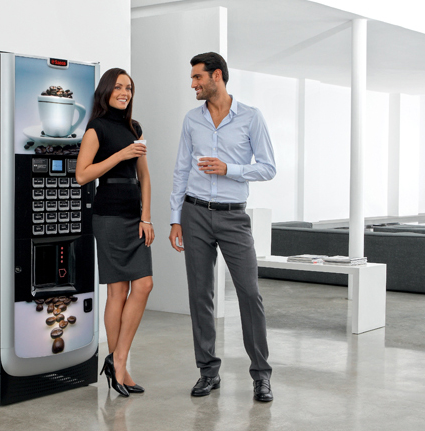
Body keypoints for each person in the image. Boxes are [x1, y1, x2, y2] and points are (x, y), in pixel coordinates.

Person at [167, 52, 277, 402]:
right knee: (200, 295)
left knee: (249, 293)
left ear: (216, 76)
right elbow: (181, 169)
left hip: (233, 216)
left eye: (197, 77)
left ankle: (261, 375)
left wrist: (229, 169)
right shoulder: (191, 120)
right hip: (194, 213)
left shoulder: (250, 117)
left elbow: (268, 167)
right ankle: (208, 372)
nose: (193, 84)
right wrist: (175, 218)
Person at [76, 68, 154, 398]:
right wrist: (120, 154)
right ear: (106, 91)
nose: (125, 92)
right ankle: (119, 365)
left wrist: (146, 217)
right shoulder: (96, 128)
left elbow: (144, 176)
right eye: (119, 87)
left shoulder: (135, 128)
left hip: (134, 217)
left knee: (144, 284)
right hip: (108, 216)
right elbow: (82, 175)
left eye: (129, 88)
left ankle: (117, 359)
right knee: (117, 291)